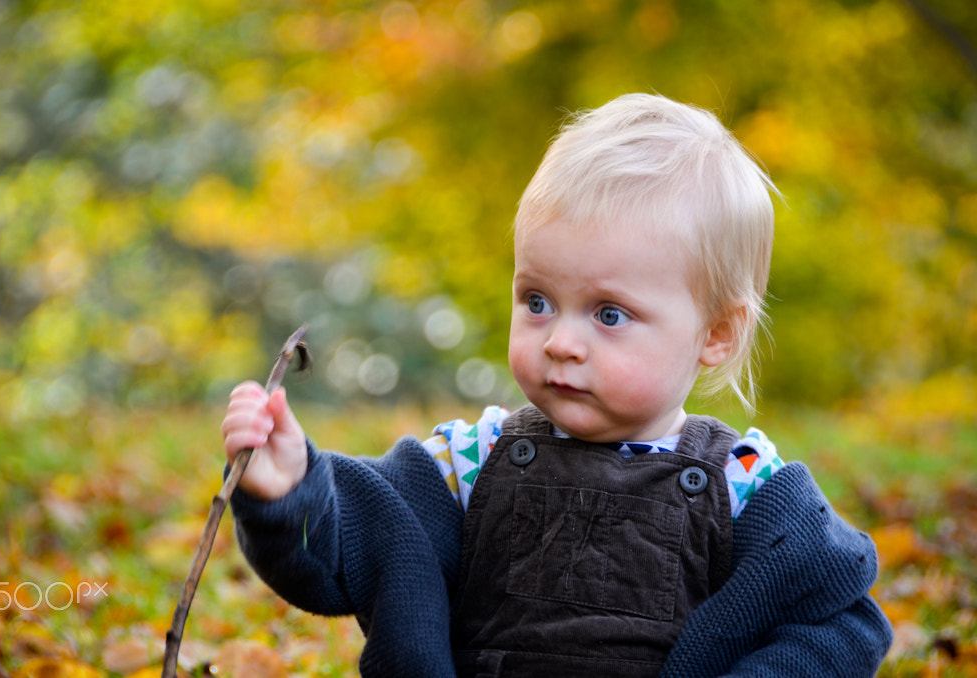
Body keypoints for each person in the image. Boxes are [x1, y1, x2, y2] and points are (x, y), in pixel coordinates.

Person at [220, 93, 893, 677]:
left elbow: (838, 625)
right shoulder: (468, 463)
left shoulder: (748, 488)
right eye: (537, 300)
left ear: (716, 333)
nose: (561, 340)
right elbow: (349, 551)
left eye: (609, 314)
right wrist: (292, 490)